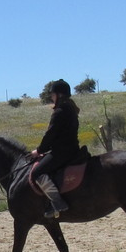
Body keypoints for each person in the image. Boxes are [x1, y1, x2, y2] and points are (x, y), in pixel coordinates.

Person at [30, 79, 81, 218]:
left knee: (37, 173)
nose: (51, 97)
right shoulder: (71, 109)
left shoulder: (59, 112)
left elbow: (50, 135)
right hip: (73, 149)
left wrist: (39, 151)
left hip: (62, 152)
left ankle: (58, 202)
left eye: (52, 95)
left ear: (59, 95)